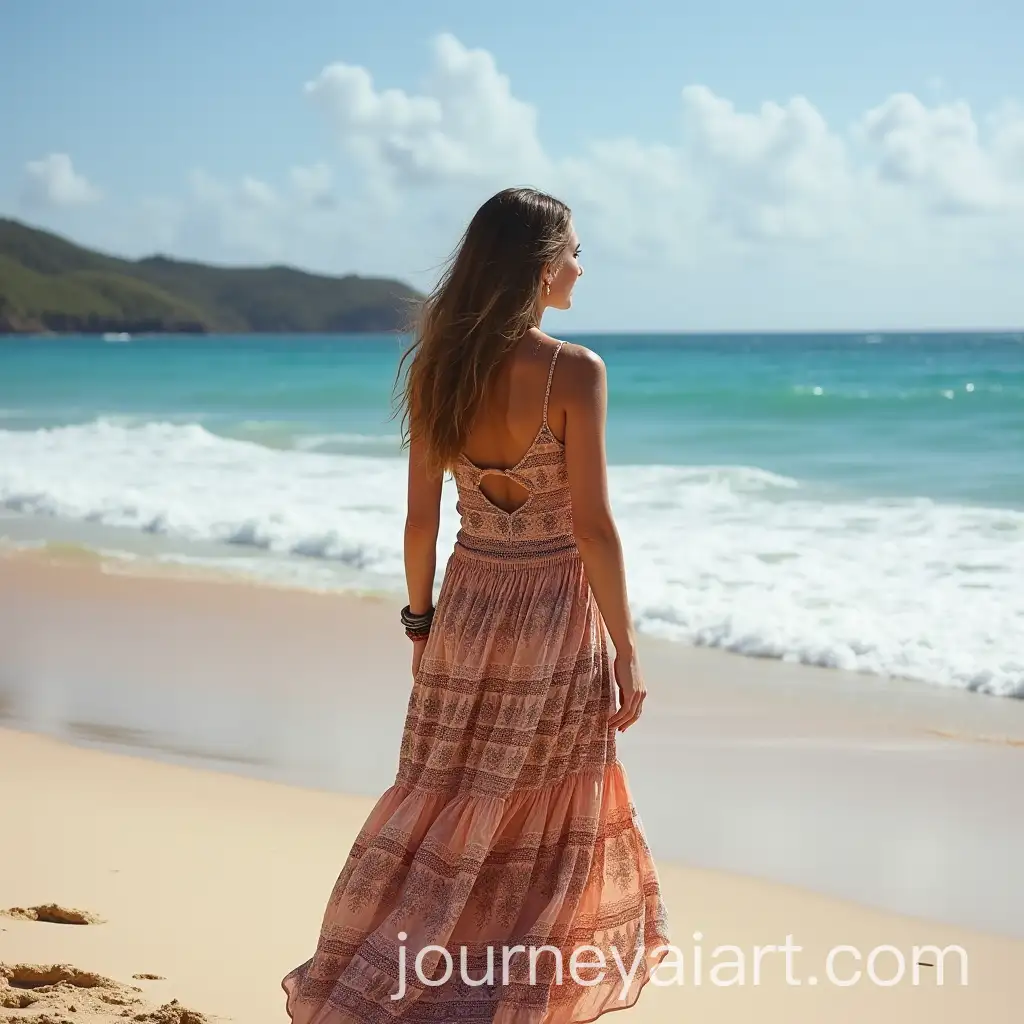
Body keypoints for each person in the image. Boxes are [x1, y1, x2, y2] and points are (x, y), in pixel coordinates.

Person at [282, 187, 669, 1024]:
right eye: (573, 252)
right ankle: (504, 998)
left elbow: (420, 520)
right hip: (554, 617)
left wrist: (421, 623)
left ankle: (393, 981)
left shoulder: (440, 368)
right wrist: (628, 648)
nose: (581, 267)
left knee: (444, 793)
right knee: (545, 807)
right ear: (539, 266)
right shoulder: (574, 370)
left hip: (466, 606)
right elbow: (594, 528)